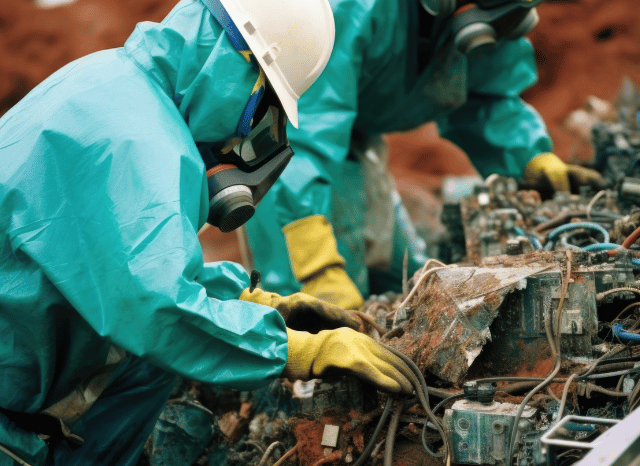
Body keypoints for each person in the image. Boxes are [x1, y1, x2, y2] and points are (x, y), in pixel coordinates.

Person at [0, 1, 415, 465]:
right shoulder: (137, 140)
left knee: (147, 364)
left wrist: (256, 303)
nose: (250, 138)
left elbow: (130, 272)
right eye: (264, 112)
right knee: (156, 351)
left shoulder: (121, 89)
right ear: (239, 70)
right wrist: (295, 350)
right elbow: (156, 311)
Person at [244, 0, 608, 310]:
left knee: (414, 285)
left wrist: (530, 157)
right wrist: (316, 264)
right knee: (320, 313)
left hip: (357, 145)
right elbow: (307, 130)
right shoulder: (348, 11)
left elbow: (486, 95)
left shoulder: (487, 14)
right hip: (282, 156)